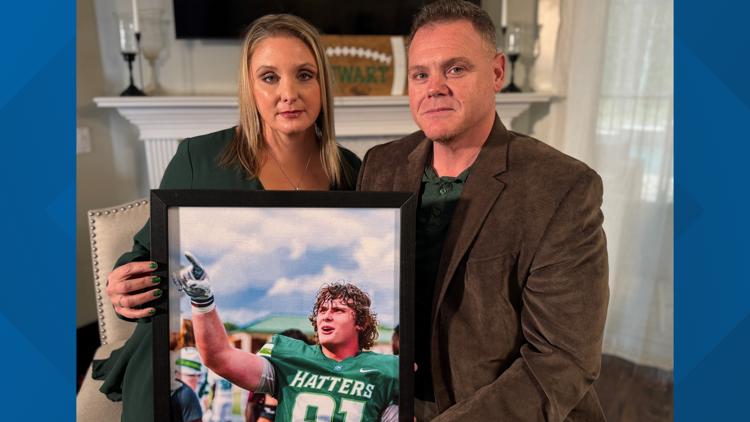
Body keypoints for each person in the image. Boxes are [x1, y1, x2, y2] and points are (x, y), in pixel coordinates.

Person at [93, 14, 361, 422]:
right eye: (269, 77)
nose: (289, 93)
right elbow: (146, 255)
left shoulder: (351, 170)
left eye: (305, 75)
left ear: (322, 85)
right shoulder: (197, 159)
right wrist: (123, 286)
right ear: (249, 88)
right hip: (177, 342)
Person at [357, 1, 609, 420]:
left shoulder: (563, 188)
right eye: (421, 74)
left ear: (496, 73)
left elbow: (562, 359)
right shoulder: (380, 166)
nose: (434, 87)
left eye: (455, 69)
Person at [173, 252, 399, 422]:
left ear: (361, 323)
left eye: (338, 310)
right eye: (322, 310)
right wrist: (202, 301)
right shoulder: (291, 358)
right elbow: (219, 357)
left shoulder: (386, 369)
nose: (326, 316)